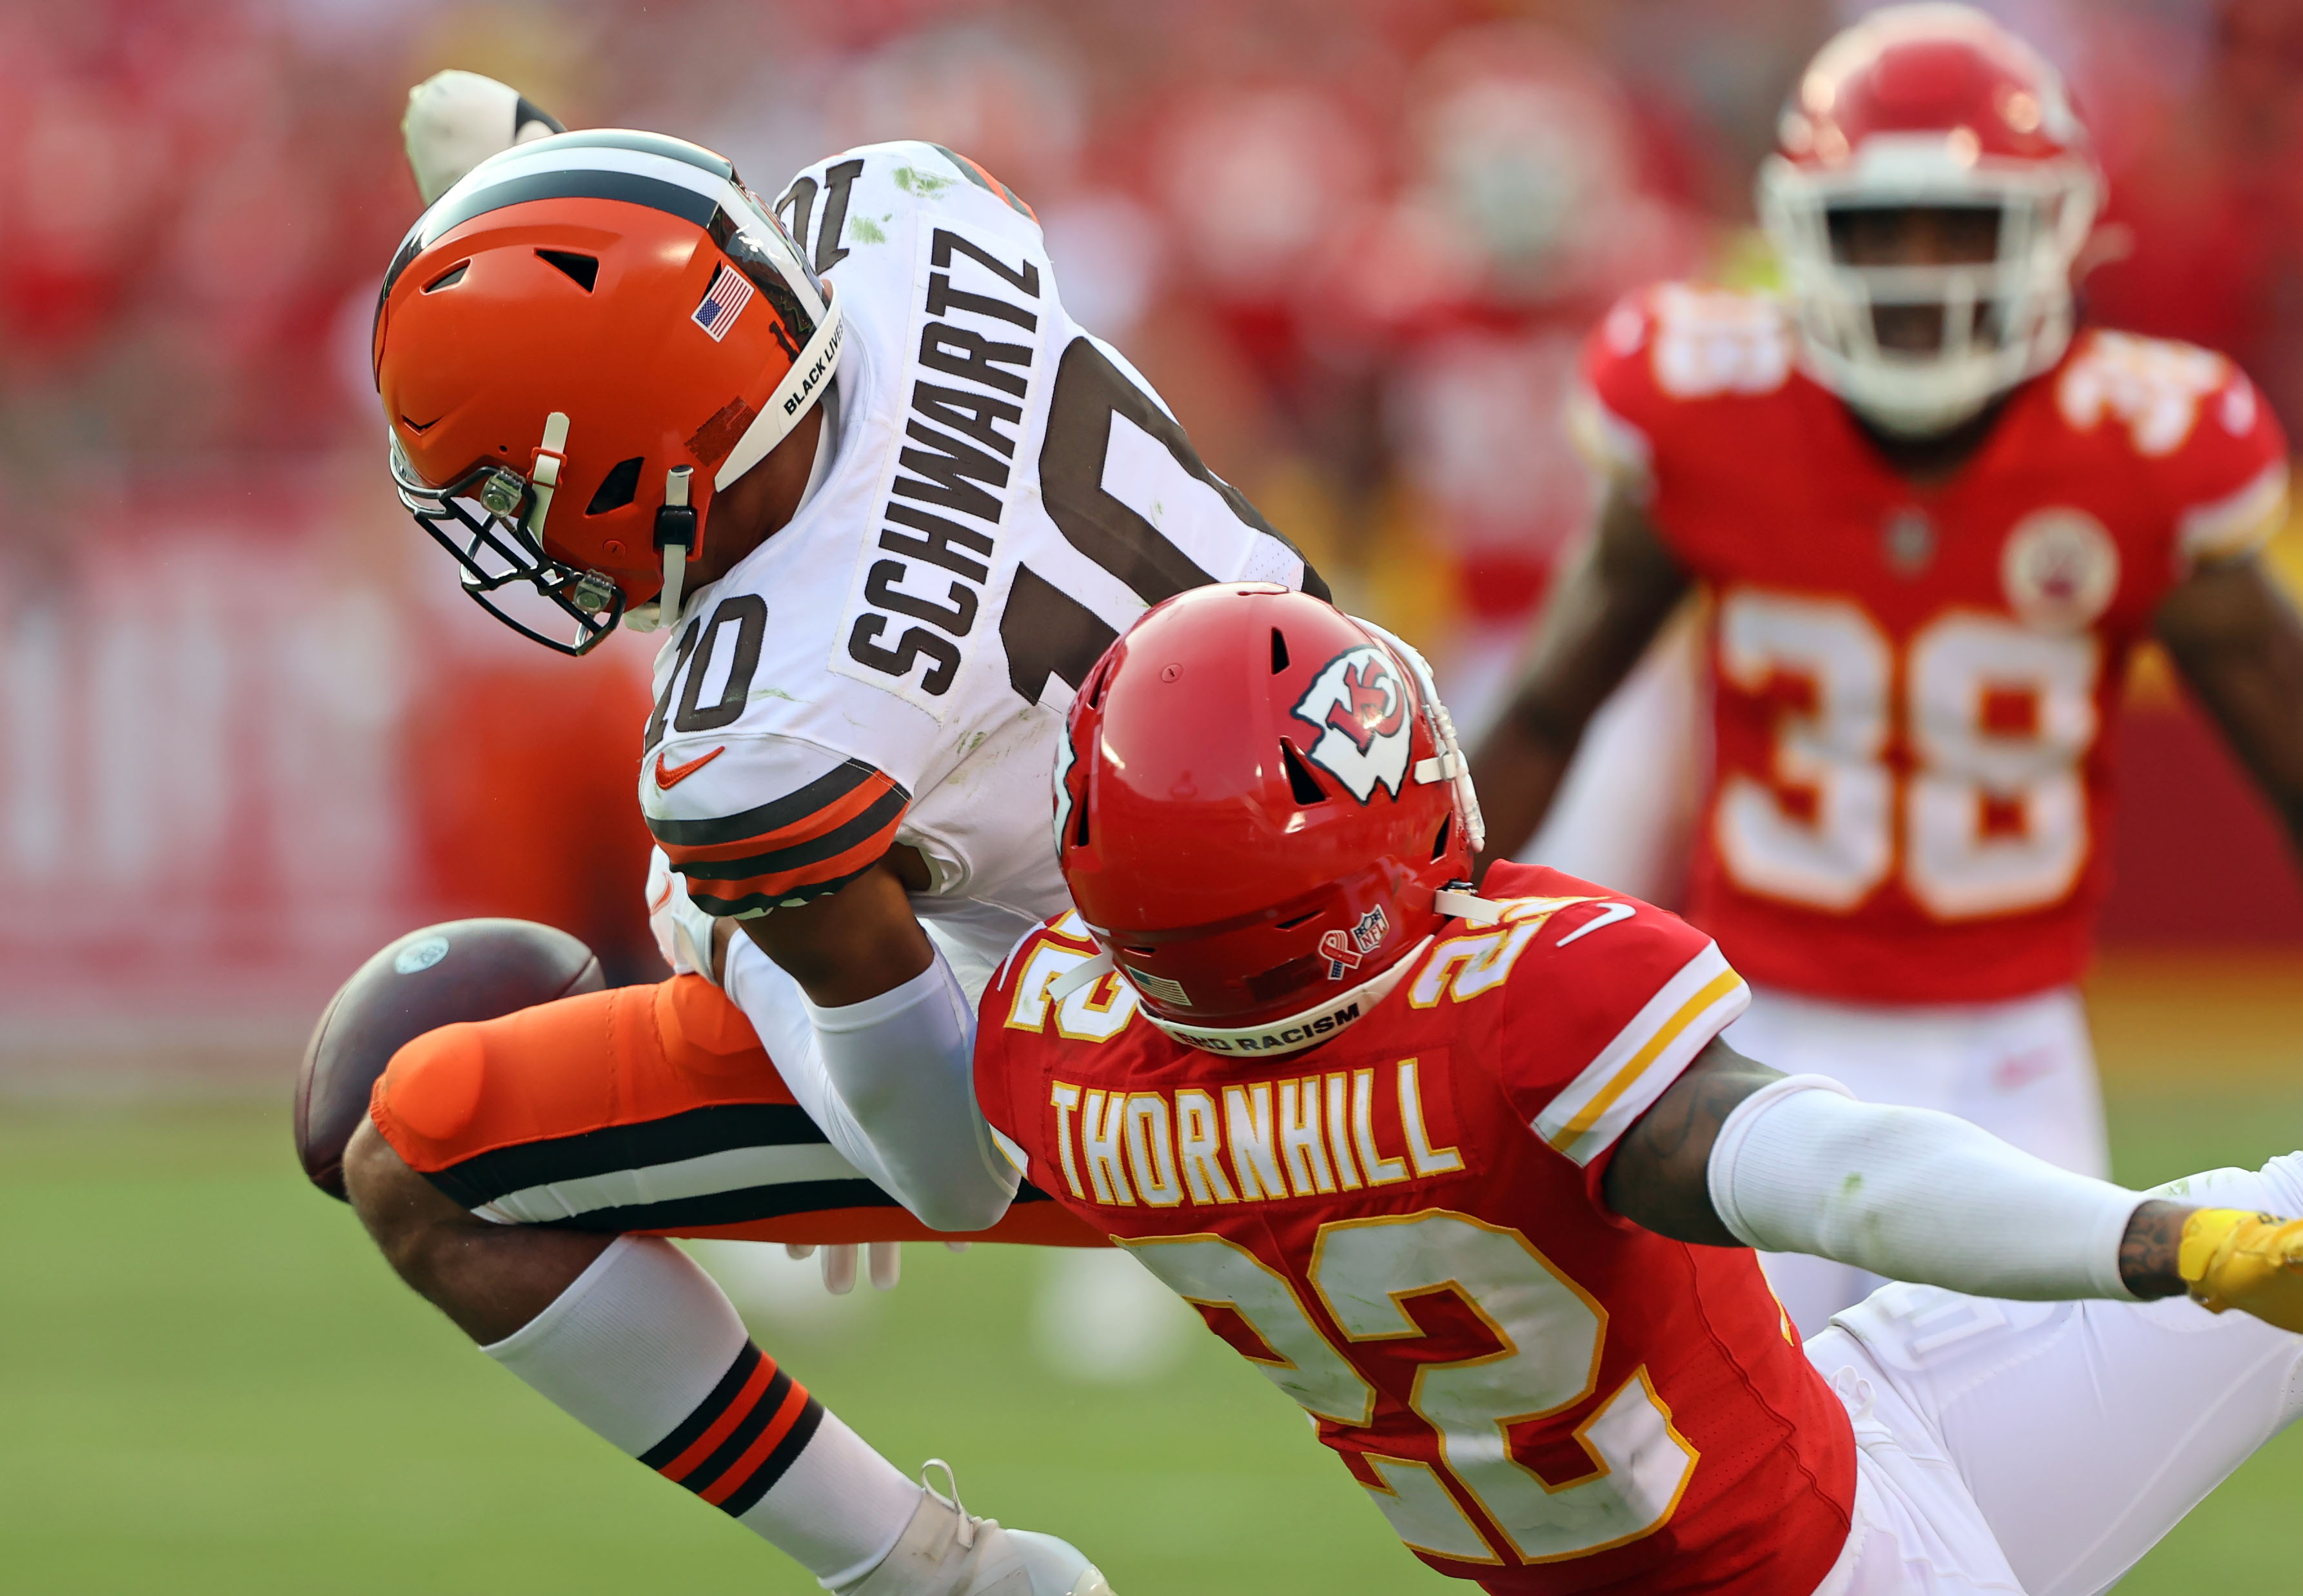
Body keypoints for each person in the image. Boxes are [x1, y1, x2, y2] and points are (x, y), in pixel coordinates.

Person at [339, 69, 1329, 1596]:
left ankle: (926, 1573)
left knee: (411, 1148)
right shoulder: (902, 210)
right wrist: (536, 175)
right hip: (1349, 810)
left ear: (625, 465)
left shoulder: (770, 739)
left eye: (514, 489)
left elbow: (943, 1172)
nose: (514, 532)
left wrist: (728, 932)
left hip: (1173, 1059)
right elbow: (689, 284)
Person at [975, 581, 2303, 1595]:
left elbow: (898, 1085)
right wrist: (2151, 1243)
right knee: (2243, 1239)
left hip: (1813, 1427)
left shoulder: (1054, 1054)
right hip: (1805, 1562)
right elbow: (1832, 1175)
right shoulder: (1508, 1012)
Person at [1465, 3, 2303, 1329]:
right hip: (1752, 1036)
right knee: (1750, 1489)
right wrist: (1399, 957)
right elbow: (1547, 706)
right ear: (1803, 232)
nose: (1919, 271)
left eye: (1960, 228)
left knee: (2014, 1504)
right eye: (1878, 228)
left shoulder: (2139, 446)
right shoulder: (1708, 407)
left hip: (2010, 1044)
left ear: (2052, 231)